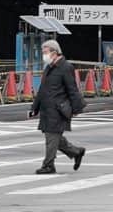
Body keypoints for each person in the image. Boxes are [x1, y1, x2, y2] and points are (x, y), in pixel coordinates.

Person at [30, 39, 87, 174]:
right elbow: (42, 90)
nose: (44, 55)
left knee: (51, 137)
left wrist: (76, 108)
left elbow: (72, 89)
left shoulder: (66, 67)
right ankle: (77, 152)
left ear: (54, 53)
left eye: (45, 52)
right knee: (55, 138)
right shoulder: (49, 68)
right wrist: (34, 108)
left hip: (58, 110)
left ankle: (48, 165)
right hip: (47, 109)